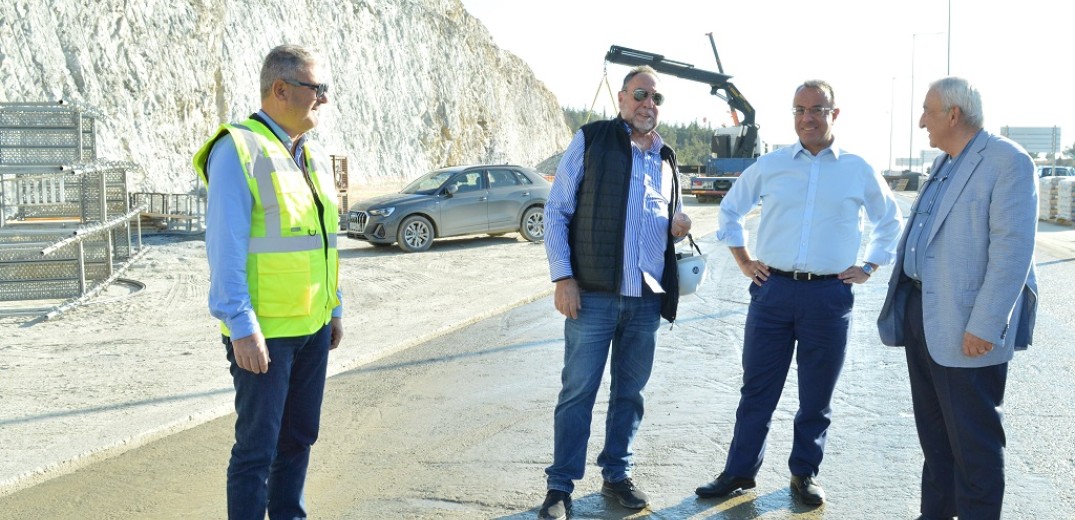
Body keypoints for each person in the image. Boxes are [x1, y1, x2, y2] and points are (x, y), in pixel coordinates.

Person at [695, 80, 902, 506]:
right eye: (799, 110)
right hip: (772, 292)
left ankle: (803, 473)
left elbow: (890, 221)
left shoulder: (857, 169)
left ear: (834, 114)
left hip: (828, 297)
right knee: (757, 389)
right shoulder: (771, 165)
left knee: (817, 394)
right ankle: (739, 471)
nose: (807, 117)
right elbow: (730, 208)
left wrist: (868, 266)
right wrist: (743, 260)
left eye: (816, 109)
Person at [192, 44, 344, 520]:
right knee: (257, 450)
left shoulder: (311, 155)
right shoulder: (238, 148)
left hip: (312, 326)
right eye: (316, 89)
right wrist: (240, 324)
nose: (323, 99)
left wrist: (334, 308)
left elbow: (323, 241)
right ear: (280, 90)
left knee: (299, 438)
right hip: (265, 334)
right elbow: (226, 245)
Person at [877, 76, 1037, 520]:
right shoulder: (946, 162)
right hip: (923, 316)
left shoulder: (1007, 161)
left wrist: (986, 325)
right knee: (937, 441)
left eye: (927, 110)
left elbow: (1012, 251)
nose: (921, 120)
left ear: (953, 114)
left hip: (968, 326)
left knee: (974, 448)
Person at [538, 65, 692, 520]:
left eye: (656, 98)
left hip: (645, 299)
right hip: (593, 296)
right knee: (578, 391)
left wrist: (680, 228)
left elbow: (671, 222)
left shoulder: (667, 158)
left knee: (631, 392)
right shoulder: (592, 139)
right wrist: (563, 278)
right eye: (640, 94)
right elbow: (556, 212)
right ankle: (560, 486)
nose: (649, 104)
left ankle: (617, 473)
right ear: (622, 99)